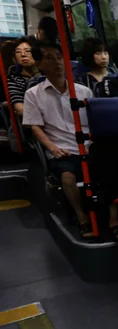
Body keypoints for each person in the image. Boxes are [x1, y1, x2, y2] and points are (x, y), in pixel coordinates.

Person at [22, 42, 96, 239]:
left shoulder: (84, 92)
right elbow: (35, 126)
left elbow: (95, 122)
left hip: (89, 145)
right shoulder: (33, 94)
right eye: (49, 58)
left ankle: (112, 216)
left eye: (59, 57)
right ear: (40, 64)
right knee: (67, 177)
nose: (56, 62)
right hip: (62, 148)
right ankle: (82, 218)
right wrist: (52, 148)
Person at [7, 37, 40, 118]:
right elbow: (20, 109)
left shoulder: (48, 73)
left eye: (27, 51)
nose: (23, 54)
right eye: (18, 52)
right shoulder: (13, 79)